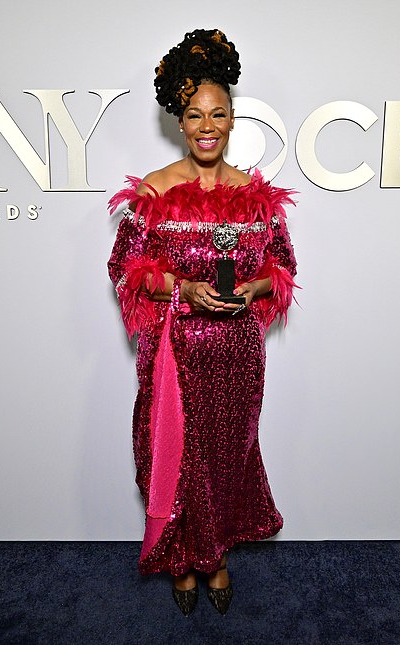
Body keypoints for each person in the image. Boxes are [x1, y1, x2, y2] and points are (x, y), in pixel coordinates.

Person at [107, 28, 297, 616]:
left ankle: (213, 556)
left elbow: (284, 267)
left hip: (238, 351)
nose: (207, 126)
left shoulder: (255, 196)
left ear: (234, 119)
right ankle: (182, 561)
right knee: (176, 457)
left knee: (224, 455)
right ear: (180, 122)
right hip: (177, 350)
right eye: (195, 115)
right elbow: (125, 270)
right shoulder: (155, 193)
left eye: (218, 114)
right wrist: (180, 287)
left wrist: (254, 285)